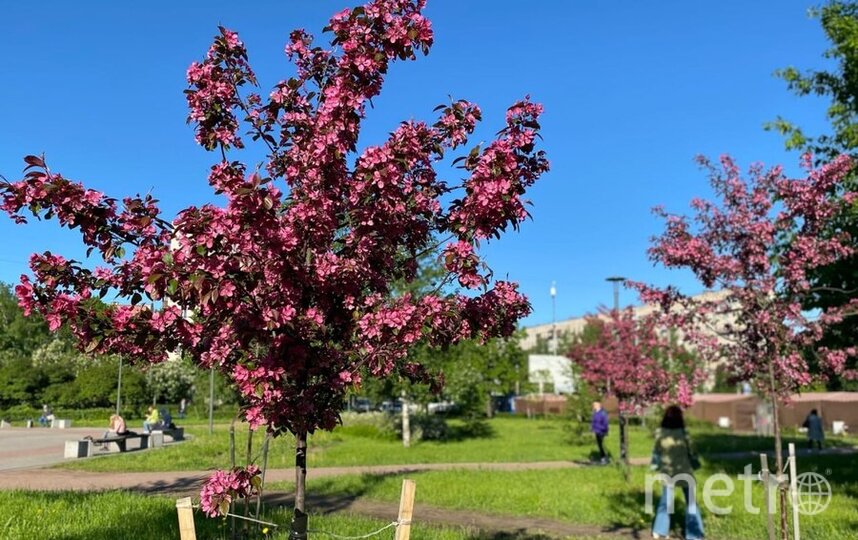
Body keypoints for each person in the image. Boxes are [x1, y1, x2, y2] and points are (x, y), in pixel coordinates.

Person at [651, 405, 704, 540]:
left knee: (665, 502)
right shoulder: (684, 433)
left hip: (667, 471)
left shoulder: (659, 433)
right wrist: (696, 465)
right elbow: (692, 452)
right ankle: (694, 534)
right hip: (684, 470)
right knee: (691, 502)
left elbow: (656, 452)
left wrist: (655, 466)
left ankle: (660, 530)